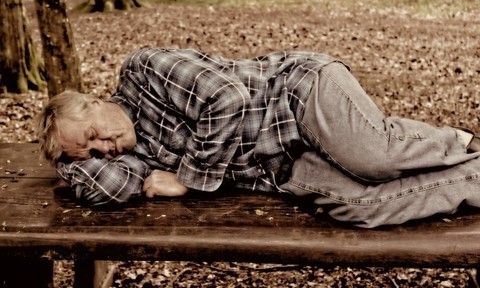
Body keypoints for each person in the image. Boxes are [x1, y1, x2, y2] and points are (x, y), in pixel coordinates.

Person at [36, 47, 480, 228]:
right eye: (92, 151)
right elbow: (108, 185)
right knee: (362, 207)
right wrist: (68, 157)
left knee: (373, 158)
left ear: (95, 101)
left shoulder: (142, 71)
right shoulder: (129, 157)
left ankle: (462, 142)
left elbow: (227, 99)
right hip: (281, 165)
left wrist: (187, 179)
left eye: (95, 135)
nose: (104, 149)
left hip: (296, 94)